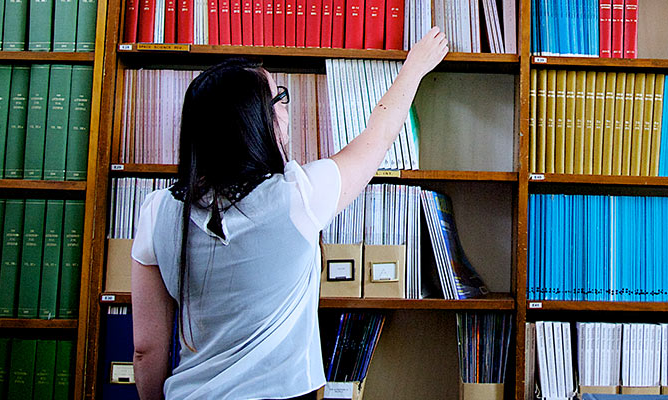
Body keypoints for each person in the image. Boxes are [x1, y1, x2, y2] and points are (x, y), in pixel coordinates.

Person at [129, 28, 450, 400]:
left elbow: (145, 350)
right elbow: (376, 138)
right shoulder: (299, 196)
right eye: (279, 98)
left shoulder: (157, 212)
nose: (286, 107)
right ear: (258, 122)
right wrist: (414, 67)